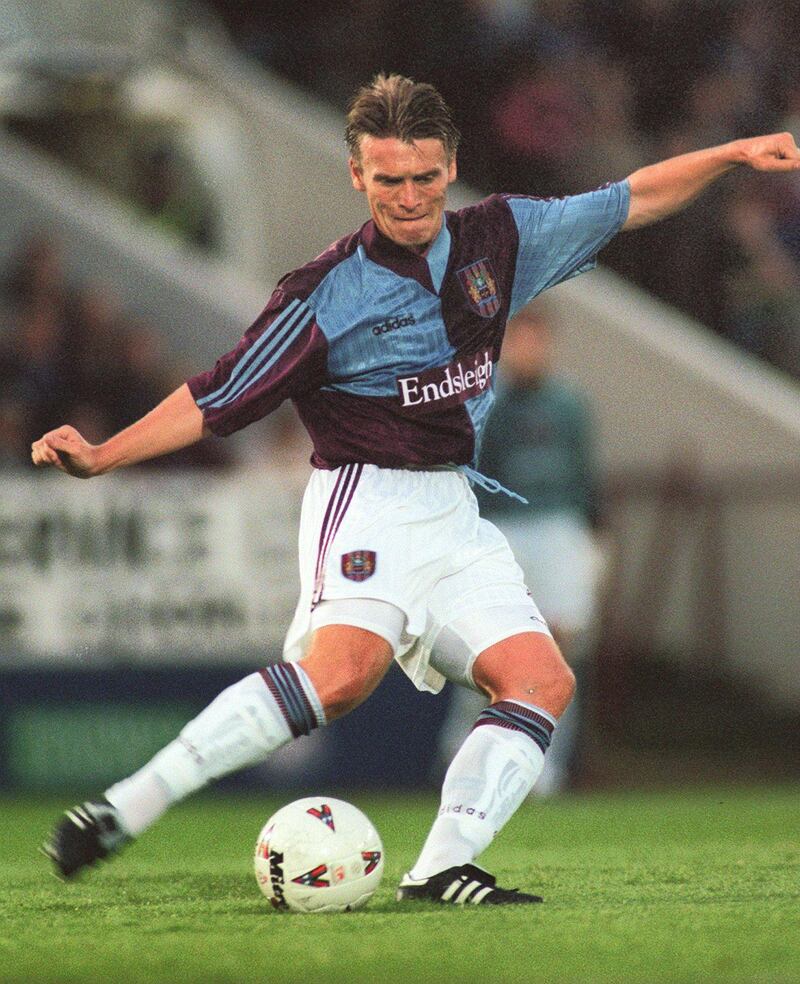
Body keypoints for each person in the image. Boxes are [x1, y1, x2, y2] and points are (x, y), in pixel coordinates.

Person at [32, 74, 800, 905]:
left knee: (543, 682)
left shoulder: (498, 238)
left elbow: (630, 198)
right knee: (341, 677)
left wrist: (728, 155)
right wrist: (106, 455)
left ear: (450, 167)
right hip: (366, 500)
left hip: (453, 510)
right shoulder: (323, 293)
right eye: (388, 179)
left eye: (425, 177)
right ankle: (124, 806)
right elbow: (216, 395)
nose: (408, 197)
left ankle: (439, 869)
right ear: (357, 176)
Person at [437, 300, 605, 795]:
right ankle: (465, 758)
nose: (529, 350)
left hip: (559, 528)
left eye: (537, 339)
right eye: (519, 340)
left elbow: (584, 475)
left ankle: (541, 765)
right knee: (492, 649)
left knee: (558, 648)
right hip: (501, 529)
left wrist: (596, 539)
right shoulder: (485, 401)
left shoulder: (571, 404)